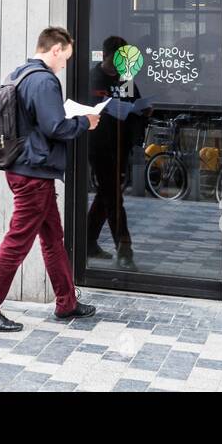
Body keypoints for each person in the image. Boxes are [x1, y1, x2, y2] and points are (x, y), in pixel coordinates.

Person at [0, 27, 100, 333]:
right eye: (65, 58)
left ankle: (66, 301)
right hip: (34, 174)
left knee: (53, 238)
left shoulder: (20, 74)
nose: (64, 65)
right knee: (17, 242)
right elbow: (55, 127)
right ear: (55, 49)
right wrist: (85, 122)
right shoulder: (43, 80)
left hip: (26, 169)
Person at [86, 36, 145, 271]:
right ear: (106, 55)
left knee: (106, 194)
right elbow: (86, 109)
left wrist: (143, 112)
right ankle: (125, 248)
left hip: (121, 146)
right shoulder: (92, 78)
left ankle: (88, 242)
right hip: (99, 146)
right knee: (113, 196)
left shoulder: (125, 79)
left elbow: (136, 106)